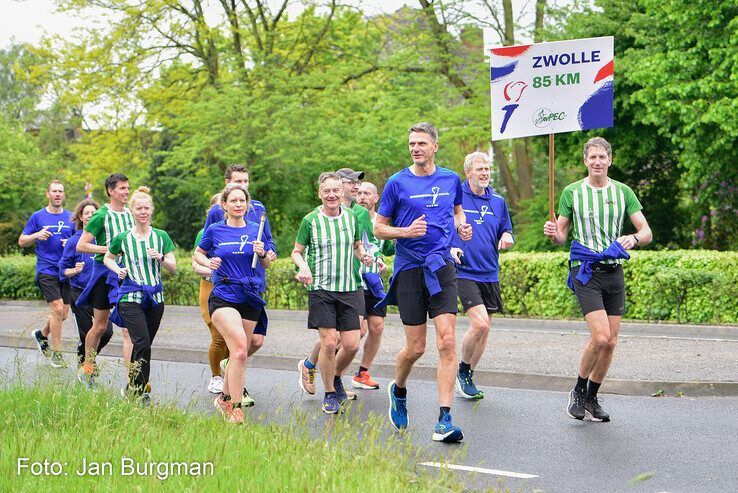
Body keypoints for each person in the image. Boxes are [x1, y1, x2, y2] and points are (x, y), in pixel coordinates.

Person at [374, 122, 472, 443]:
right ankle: (399, 389)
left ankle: (444, 419)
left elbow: (458, 213)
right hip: (410, 270)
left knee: (447, 342)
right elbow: (379, 229)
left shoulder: (450, 179)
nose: (415, 148)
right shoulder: (396, 183)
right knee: (416, 347)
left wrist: (463, 226)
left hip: (441, 266)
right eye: (412, 144)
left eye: (421, 143)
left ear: (435, 146)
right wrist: (405, 232)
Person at [543, 136, 652, 422]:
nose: (597, 162)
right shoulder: (572, 192)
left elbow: (646, 232)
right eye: (592, 157)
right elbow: (561, 237)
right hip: (586, 270)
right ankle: (577, 390)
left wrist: (634, 237)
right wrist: (553, 233)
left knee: (611, 342)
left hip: (614, 271)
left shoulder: (623, 192)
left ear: (609, 160)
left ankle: (592, 398)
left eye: (602, 157)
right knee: (600, 336)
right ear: (585, 161)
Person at [291, 172, 374, 414]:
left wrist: (365, 256)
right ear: (320, 193)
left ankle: (335, 377)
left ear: (342, 192)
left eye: (335, 191)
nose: (331, 195)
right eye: (326, 191)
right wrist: (304, 267)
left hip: (350, 287)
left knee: (351, 344)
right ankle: (329, 393)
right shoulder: (310, 221)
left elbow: (357, 246)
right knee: (328, 343)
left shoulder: (352, 217)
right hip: (321, 289)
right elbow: (296, 251)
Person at [193, 184, 272, 424]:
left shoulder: (256, 230)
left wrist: (262, 254)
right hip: (224, 293)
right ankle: (236, 409)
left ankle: (224, 398)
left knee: (241, 353)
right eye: (233, 201)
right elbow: (197, 253)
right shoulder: (215, 230)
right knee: (238, 349)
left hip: (250, 294)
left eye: (242, 201)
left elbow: (267, 264)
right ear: (224, 205)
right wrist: (208, 264)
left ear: (247, 205)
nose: (238, 204)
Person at [450, 152, 514, 400]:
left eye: (487, 169)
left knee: (484, 331)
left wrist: (507, 236)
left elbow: (506, 228)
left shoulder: (498, 200)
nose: (485, 173)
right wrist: (450, 246)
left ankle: (468, 376)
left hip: (490, 271)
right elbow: (445, 227)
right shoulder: (457, 198)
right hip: (464, 271)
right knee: (480, 324)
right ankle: (462, 371)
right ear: (468, 172)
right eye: (480, 169)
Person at [105, 186, 176, 404]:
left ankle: (132, 387)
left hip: (155, 298)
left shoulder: (161, 236)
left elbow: (173, 267)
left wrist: (161, 258)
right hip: (130, 297)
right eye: (138, 208)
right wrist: (118, 270)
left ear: (151, 211)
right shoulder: (123, 238)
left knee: (143, 346)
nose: (143, 211)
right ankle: (140, 391)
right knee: (142, 342)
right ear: (132, 212)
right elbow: (108, 257)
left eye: (146, 208)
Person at [76, 173, 134, 386]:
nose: (126, 192)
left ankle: (132, 381)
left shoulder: (130, 214)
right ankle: (87, 367)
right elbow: (81, 245)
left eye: (128, 188)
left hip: (125, 273)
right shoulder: (101, 216)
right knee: (100, 326)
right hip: (103, 272)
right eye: (122, 188)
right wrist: (108, 249)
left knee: (127, 328)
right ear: (111, 191)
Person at [19, 180, 74, 368]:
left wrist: (71, 245)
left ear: (64, 195)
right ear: (47, 194)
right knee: (58, 310)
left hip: (65, 271)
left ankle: (41, 335)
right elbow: (22, 241)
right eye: (54, 191)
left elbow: (81, 241)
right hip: (46, 268)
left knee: (63, 314)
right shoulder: (37, 217)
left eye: (60, 191)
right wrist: (37, 235)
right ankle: (57, 354)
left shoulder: (71, 217)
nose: (57, 194)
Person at [58, 199, 114, 366]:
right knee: (86, 333)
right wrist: (74, 270)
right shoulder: (74, 241)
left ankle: (87, 358)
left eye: (93, 213)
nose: (90, 215)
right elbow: (62, 270)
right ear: (80, 217)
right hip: (79, 292)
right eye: (86, 213)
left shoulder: (103, 239)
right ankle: (87, 367)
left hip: (99, 291)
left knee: (106, 332)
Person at [351, 181, 395, 390]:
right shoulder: (351, 218)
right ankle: (328, 368)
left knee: (376, 328)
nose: (361, 197)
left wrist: (381, 259)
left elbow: (385, 249)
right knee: (356, 332)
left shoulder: (381, 221)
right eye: (358, 193)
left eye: (366, 193)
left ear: (375, 198)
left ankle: (362, 373)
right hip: (355, 281)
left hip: (374, 281)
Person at [192, 194, 228, 394]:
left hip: (231, 289)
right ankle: (215, 376)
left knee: (232, 338)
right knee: (218, 337)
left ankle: (229, 374)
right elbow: (195, 265)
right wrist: (215, 271)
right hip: (209, 288)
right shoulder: (204, 233)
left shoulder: (235, 230)